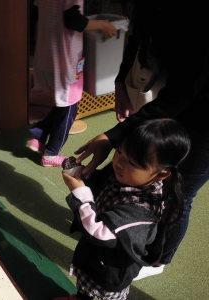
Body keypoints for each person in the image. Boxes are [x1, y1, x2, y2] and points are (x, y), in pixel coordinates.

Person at [75, 0, 209, 279]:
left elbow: (180, 94)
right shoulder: (149, 9)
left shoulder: (195, 19)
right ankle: (136, 231)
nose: (118, 162)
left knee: (181, 194)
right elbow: (137, 37)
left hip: (203, 115)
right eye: (119, 155)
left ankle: (157, 260)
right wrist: (120, 82)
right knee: (141, 166)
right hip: (177, 98)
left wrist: (111, 137)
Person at [61, 119, 190, 300]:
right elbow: (103, 188)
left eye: (133, 163)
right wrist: (83, 176)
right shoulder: (129, 177)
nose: (119, 163)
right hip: (97, 259)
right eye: (119, 152)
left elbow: (100, 232)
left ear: (161, 174)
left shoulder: (143, 209)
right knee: (84, 289)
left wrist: (79, 191)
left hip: (109, 271)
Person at [26, 0, 117, 167]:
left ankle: (38, 134)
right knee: (70, 107)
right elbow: (73, 19)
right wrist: (102, 25)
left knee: (62, 104)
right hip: (64, 58)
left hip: (46, 54)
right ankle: (51, 153)